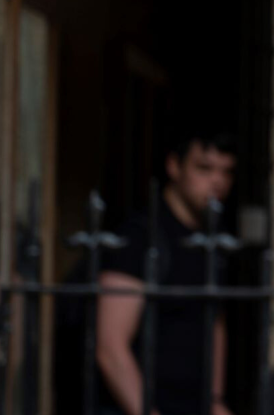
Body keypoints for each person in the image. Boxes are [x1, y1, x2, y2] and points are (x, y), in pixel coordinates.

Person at [97, 129, 239, 415]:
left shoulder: (214, 240)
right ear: (174, 166)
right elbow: (110, 345)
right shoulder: (140, 237)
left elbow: (214, 320)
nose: (217, 181)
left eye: (226, 171)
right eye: (204, 168)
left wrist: (215, 400)